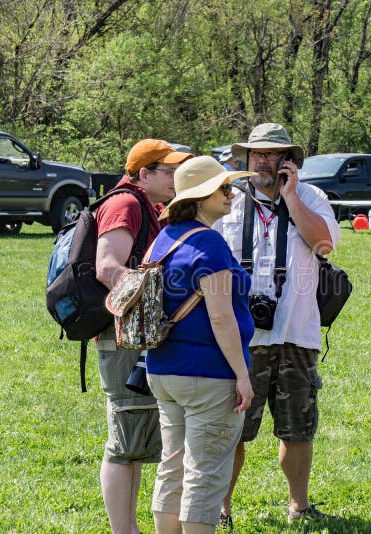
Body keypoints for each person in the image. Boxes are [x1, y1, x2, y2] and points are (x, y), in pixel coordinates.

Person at [215, 123, 341, 526]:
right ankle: (221, 509)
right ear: (246, 159)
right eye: (257, 154)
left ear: (290, 161)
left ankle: (298, 506)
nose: (264, 161)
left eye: (273, 154)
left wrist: (290, 197)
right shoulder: (228, 201)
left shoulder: (311, 197)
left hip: (296, 334)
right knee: (232, 430)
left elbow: (324, 244)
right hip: (241, 338)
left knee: (298, 429)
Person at [145, 156, 256, 533]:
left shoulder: (165, 237)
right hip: (208, 375)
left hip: (162, 369)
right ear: (200, 196)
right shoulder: (210, 244)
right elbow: (221, 317)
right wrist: (242, 374)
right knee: (205, 474)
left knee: (172, 467)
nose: (231, 194)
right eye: (223, 188)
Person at [93, 139, 192, 534]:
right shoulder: (126, 204)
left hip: (134, 333)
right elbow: (107, 267)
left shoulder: (147, 205)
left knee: (134, 432)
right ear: (143, 174)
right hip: (121, 333)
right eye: (168, 171)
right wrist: (153, 300)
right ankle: (124, 530)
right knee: (126, 433)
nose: (175, 179)